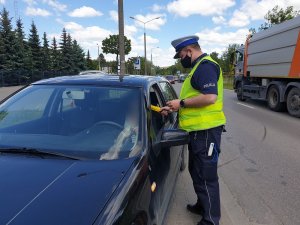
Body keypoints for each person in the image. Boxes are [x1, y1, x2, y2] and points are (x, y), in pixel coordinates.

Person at [161, 35, 226, 225]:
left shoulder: (205, 66)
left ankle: (211, 220)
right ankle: (202, 205)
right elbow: (194, 99)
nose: (181, 59)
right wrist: (174, 107)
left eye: (181, 55)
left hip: (206, 132)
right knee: (196, 172)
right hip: (198, 133)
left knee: (206, 176)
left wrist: (180, 102)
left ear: (189, 51)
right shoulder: (198, 68)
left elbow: (210, 98)